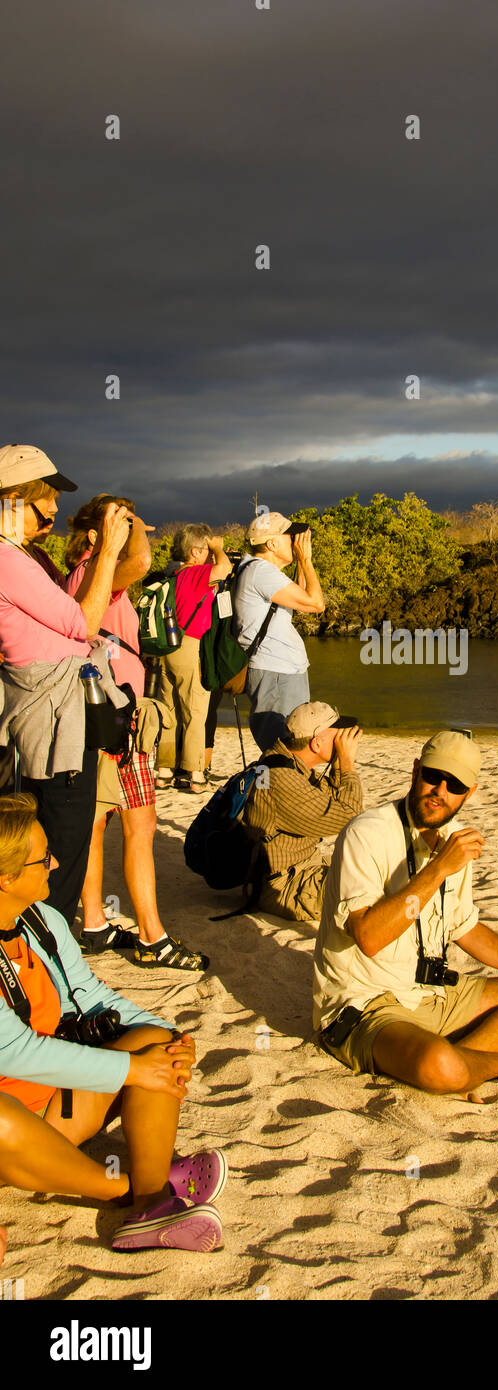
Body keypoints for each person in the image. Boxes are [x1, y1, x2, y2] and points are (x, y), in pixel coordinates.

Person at [0, 793, 226, 1251]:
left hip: (51, 1105)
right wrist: (130, 1071)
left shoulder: (41, 921)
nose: (57, 863)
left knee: (157, 1046)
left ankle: (151, 1202)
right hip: (12, 1129)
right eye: (44, 858)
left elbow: (90, 994)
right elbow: (15, 1051)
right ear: (6, 877)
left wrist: (172, 1036)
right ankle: (125, 1187)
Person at [313, 730, 498, 1097]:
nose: (440, 789)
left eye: (454, 784)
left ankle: (466, 1062)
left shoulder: (454, 838)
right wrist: (438, 869)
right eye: (432, 776)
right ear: (415, 771)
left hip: (434, 993)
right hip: (369, 1004)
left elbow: (465, 928)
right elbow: (369, 937)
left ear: (469, 793)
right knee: (437, 1066)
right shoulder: (367, 834)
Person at [64, 496, 208, 971]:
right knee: (116, 825)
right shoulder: (93, 571)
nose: (132, 530)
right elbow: (144, 558)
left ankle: (97, 925)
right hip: (110, 718)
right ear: (94, 534)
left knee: (123, 824)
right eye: (121, 523)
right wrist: (135, 524)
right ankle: (148, 936)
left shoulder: (98, 574)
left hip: (123, 717)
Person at [0, 444, 132, 930]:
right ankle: (50, 951)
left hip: (59, 714)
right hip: (51, 724)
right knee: (64, 840)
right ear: (11, 499)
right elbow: (83, 622)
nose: (55, 509)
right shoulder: (7, 559)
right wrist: (110, 549)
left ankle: (43, 948)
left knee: (62, 837)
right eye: (45, 498)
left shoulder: (26, 555)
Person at [244, 701, 364, 922]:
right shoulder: (280, 778)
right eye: (336, 733)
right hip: (285, 884)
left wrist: (338, 763)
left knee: (377, 865)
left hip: (304, 866)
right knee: (372, 889)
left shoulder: (285, 761)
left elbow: (331, 799)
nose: (342, 738)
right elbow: (349, 816)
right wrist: (347, 762)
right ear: (316, 743)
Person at [233, 511, 325, 753]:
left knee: (294, 745)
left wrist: (303, 562)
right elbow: (316, 604)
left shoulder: (260, 571)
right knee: (284, 748)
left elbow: (303, 603)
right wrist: (306, 561)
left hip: (280, 671)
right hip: (275, 673)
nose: (296, 542)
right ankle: (281, 788)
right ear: (272, 543)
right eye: (289, 536)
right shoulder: (260, 572)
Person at [155, 524, 231, 793]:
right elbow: (225, 569)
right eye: (207, 551)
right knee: (195, 711)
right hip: (189, 645)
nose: (211, 556)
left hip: (165, 646)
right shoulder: (197, 573)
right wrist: (220, 549)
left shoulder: (170, 575)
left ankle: (164, 770)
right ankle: (195, 772)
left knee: (169, 710)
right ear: (196, 551)